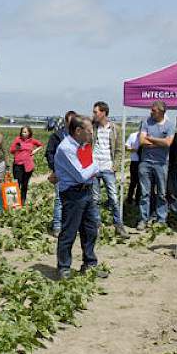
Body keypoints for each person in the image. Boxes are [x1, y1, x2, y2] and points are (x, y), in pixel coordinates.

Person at [51, 115, 106, 279]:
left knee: (90, 230)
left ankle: (89, 264)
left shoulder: (83, 145)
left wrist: (93, 168)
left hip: (86, 191)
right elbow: (82, 175)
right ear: (78, 130)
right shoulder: (66, 148)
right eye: (89, 131)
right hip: (73, 193)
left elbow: (88, 172)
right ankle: (64, 268)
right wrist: (97, 165)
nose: (91, 134)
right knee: (69, 231)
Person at [92, 101, 129, 238]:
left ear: (103, 112)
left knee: (113, 197)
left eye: (96, 112)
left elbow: (119, 150)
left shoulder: (115, 129)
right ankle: (97, 225)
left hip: (108, 167)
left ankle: (118, 224)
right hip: (94, 168)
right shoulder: (92, 128)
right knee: (95, 198)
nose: (94, 114)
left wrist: (115, 166)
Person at [137, 100, 176, 227]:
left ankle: (161, 219)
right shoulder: (146, 122)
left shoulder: (170, 125)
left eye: (153, 110)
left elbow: (168, 143)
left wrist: (151, 138)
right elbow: (142, 141)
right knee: (145, 192)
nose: (151, 112)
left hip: (161, 163)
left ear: (161, 112)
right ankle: (143, 218)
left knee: (162, 193)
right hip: (145, 162)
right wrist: (160, 143)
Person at [46, 110, 77, 237]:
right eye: (70, 122)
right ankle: (57, 226)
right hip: (61, 173)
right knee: (60, 199)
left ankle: (71, 226)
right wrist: (55, 168)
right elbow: (49, 153)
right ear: (65, 121)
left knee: (74, 200)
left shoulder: (79, 136)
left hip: (76, 174)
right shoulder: (57, 136)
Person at [9, 125, 43, 204]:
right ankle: (14, 201)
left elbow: (41, 145)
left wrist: (35, 151)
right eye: (22, 132)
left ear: (29, 133)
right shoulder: (17, 140)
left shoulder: (32, 141)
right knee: (17, 183)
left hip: (28, 166)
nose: (23, 133)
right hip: (18, 164)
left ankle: (22, 201)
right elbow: (11, 150)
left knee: (25, 184)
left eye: (25, 132)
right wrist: (16, 148)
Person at [125, 129, 141, 208]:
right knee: (133, 182)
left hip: (143, 162)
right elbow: (126, 146)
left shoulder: (148, 136)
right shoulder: (133, 135)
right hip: (135, 161)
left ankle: (138, 201)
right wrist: (133, 149)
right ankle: (129, 199)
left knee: (140, 183)